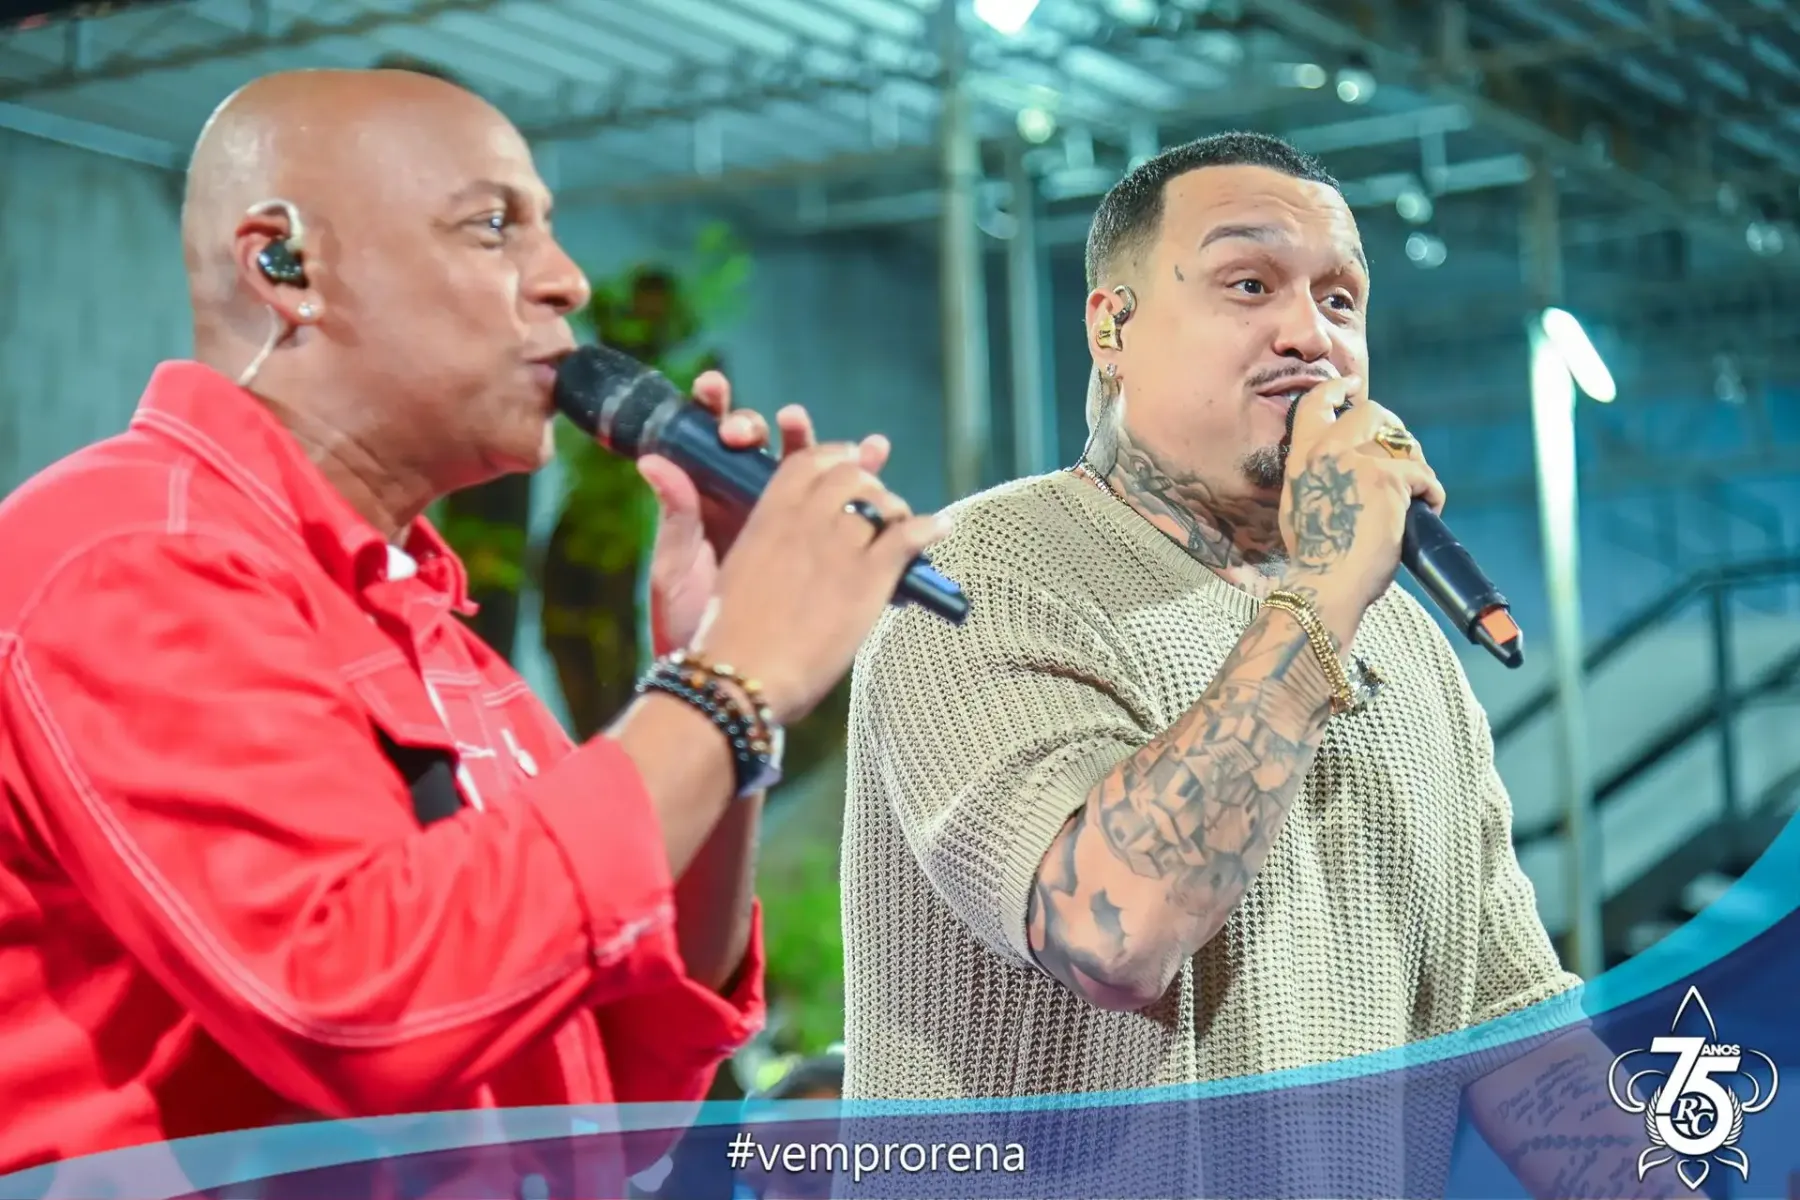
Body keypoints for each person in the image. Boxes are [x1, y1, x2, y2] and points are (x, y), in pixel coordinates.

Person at [0, 68, 948, 1187]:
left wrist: (717, 680)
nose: (565, 280)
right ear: (284, 266)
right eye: (493, 226)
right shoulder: (131, 554)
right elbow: (353, 1003)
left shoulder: (440, 642)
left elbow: (628, 1091)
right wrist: (727, 685)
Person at [841, 133, 1672, 1197]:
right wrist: (1326, 588)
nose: (1310, 336)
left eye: (1340, 300)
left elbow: (1518, 1033)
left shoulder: (1403, 641)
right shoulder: (983, 570)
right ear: (1111, 327)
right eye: (1249, 284)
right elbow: (1110, 933)